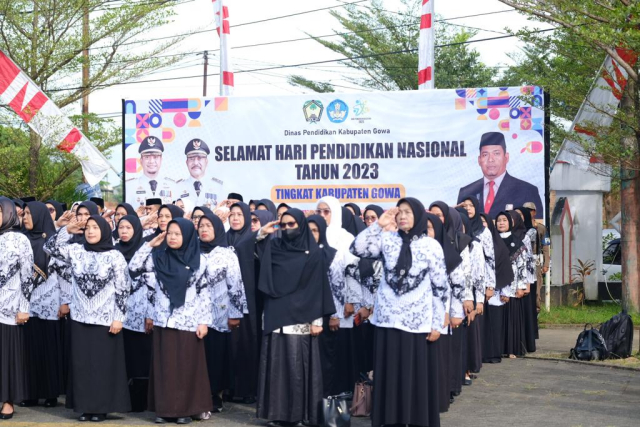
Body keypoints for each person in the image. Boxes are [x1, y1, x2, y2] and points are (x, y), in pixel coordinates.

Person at [351, 198, 447, 427]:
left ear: (418, 217)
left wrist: (437, 324)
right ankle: (389, 420)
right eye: (399, 212)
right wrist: (378, 225)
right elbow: (357, 248)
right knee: (389, 375)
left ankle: (416, 420)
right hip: (386, 322)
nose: (402, 216)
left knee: (414, 377)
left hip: (417, 323)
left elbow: (440, 287)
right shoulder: (387, 240)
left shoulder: (430, 246)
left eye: (408, 212)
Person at [44, 214, 131, 422]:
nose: (91, 231)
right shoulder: (76, 251)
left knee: (102, 366)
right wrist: (67, 230)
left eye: (95, 227)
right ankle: (84, 407)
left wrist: (119, 318)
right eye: (88, 228)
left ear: (104, 230)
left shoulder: (114, 256)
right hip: (80, 318)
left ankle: (101, 408)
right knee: (82, 365)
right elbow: (49, 247)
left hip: (105, 321)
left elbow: (123, 289)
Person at [129, 218, 213, 424]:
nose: (173, 237)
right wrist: (150, 244)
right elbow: (133, 267)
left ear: (187, 236)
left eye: (177, 233)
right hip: (163, 321)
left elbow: (204, 293)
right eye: (170, 233)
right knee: (165, 368)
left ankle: (184, 410)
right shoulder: (159, 257)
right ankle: (165, 410)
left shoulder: (199, 261)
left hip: (188, 322)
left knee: (185, 368)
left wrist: (204, 322)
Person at [256, 208, 335, 427]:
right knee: (276, 366)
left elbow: (318, 286)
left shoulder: (314, 252)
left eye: (292, 224)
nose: (288, 228)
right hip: (275, 314)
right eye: (283, 225)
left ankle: (300, 415)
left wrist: (318, 321)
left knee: (297, 367)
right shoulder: (274, 247)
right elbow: (249, 253)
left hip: (302, 316)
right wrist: (262, 233)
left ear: (301, 225)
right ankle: (278, 415)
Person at [197, 209, 247, 413]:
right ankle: (198, 394)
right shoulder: (192, 251)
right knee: (198, 356)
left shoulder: (227, 253)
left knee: (217, 355)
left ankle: (216, 395)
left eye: (208, 226)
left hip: (220, 314)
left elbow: (236, 284)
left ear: (217, 229)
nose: (204, 230)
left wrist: (235, 313)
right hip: (195, 315)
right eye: (201, 226)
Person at [308, 215, 360, 396]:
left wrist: (334, 315)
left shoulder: (333, 254)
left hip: (325, 313)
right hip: (304, 315)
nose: (311, 234)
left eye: (315, 230)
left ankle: (324, 400)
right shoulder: (300, 253)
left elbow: (337, 287)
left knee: (325, 359)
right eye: (308, 230)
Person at [20, 202, 65, 409]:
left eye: (29, 214)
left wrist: (65, 301)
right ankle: (30, 392)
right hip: (26, 302)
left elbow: (64, 273)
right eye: (24, 214)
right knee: (28, 348)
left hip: (49, 301)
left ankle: (49, 393)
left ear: (39, 216)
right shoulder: (21, 240)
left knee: (48, 347)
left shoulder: (53, 241)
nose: (25, 217)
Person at [225, 202, 265, 404]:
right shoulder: (223, 239)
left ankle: (248, 389)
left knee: (247, 344)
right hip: (225, 303)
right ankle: (229, 388)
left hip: (249, 301)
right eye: (231, 214)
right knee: (229, 346)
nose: (235, 218)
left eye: (239, 214)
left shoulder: (252, 240)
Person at [0, 197, 34, 420]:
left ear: (10, 212)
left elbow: (27, 276)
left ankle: (7, 401)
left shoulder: (20, 240)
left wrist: (24, 307)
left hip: (9, 308)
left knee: (6, 357)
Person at [457, 132, 543, 219]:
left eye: (496, 153)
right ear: (479, 160)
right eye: (485, 155)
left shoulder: (527, 190)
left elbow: (536, 223)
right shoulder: (466, 192)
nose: (490, 159)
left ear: (506, 157)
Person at [115, 214, 151, 413]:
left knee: (140, 358)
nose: (124, 231)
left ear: (137, 229)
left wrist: (149, 313)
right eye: (121, 228)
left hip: (140, 315)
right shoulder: (113, 251)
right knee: (123, 358)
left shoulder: (145, 252)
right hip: (119, 316)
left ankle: (141, 401)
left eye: (129, 228)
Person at [477, 213, 512, 364]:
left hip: (496, 292)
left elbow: (505, 269)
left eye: (485, 222)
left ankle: (494, 354)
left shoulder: (497, 243)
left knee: (495, 324)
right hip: (480, 292)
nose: (483, 225)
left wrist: (505, 290)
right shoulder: (475, 240)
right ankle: (482, 354)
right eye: (480, 223)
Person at [495, 211, 528, 359]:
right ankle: (497, 348)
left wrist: (521, 286)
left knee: (511, 319)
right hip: (496, 287)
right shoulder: (492, 240)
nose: (501, 223)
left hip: (513, 286)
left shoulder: (517, 242)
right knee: (498, 318)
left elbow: (522, 266)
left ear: (510, 223)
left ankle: (511, 349)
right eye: (499, 220)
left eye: (504, 220)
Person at [127, 136, 176, 207]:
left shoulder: (172, 186)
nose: (151, 161)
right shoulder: (130, 186)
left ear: (161, 160)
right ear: (141, 161)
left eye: (155, 157)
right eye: (147, 157)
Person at [523, 201, 550, 313]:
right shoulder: (519, 227)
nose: (528, 213)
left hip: (535, 261)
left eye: (530, 210)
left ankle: (536, 311)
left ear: (534, 212)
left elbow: (546, 246)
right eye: (525, 210)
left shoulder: (541, 228)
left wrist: (546, 264)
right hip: (521, 261)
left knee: (536, 290)